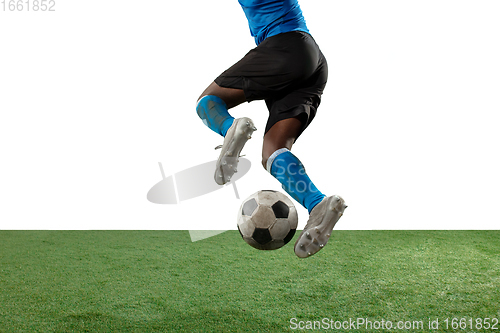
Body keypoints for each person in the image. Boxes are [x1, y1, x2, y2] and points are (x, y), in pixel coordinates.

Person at [195, 0, 347, 258]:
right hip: (312, 59)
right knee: (273, 151)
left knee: (208, 102)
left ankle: (231, 127)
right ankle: (318, 203)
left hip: (283, 47)